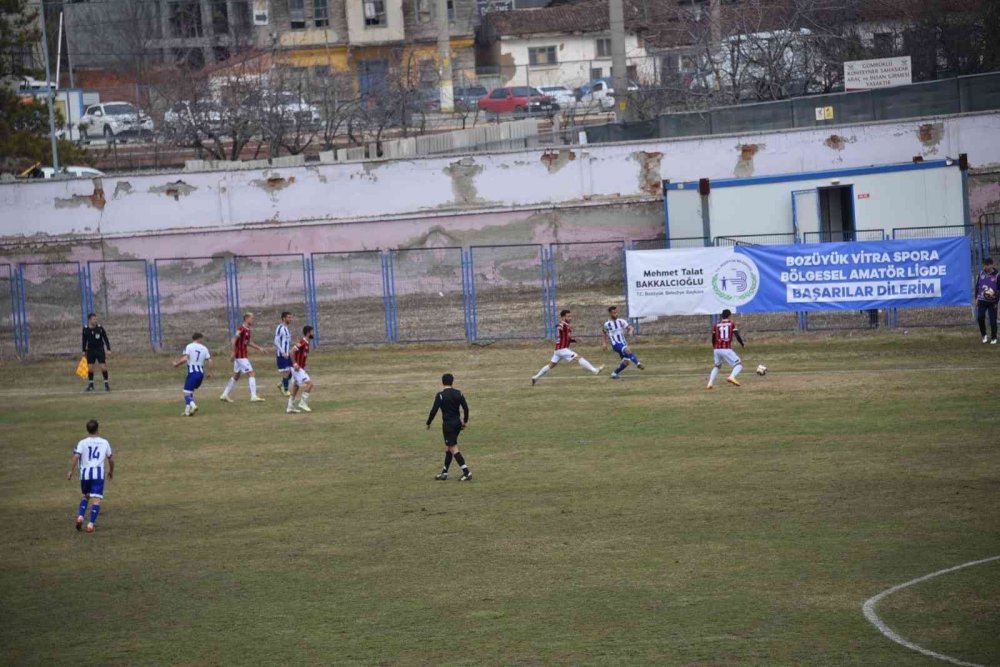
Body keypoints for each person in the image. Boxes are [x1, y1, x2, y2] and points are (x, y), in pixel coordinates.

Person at [531, 309, 603, 385]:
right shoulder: (563, 324)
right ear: (563, 317)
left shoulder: (567, 326)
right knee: (579, 358)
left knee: (551, 365)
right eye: (568, 316)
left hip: (558, 350)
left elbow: (565, 337)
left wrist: (573, 340)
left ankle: (535, 377)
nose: (570, 318)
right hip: (562, 349)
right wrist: (559, 326)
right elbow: (560, 326)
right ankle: (594, 370)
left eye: (570, 316)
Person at [67, 419, 114, 534]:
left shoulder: (82, 442)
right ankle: (90, 525)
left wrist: (71, 471)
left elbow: (76, 456)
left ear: (87, 430)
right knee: (96, 499)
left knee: (85, 496)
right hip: (98, 475)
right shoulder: (104, 442)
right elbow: (110, 459)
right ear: (97, 429)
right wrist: (111, 471)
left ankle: (80, 517)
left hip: (85, 475)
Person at [426, 373, 471, 481]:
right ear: (452, 382)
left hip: (448, 425)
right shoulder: (459, 393)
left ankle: (466, 472)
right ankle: (444, 473)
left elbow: (434, 410)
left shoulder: (440, 395)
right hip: (457, 424)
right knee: (449, 448)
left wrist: (429, 422)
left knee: (453, 448)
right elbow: (466, 408)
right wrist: (465, 421)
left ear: (442, 382)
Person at [220, 312, 267, 403]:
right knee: (251, 373)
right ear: (246, 318)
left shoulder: (248, 330)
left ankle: (224, 395)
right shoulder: (241, 328)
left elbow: (248, 342)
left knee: (236, 376)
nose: (253, 320)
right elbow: (233, 339)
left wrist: (259, 348)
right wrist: (233, 352)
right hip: (240, 356)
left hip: (241, 356)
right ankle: (253, 396)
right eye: (252, 318)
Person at [172, 333, 213, 416]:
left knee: (186, 393)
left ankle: (193, 406)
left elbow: (185, 359)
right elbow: (210, 361)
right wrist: (210, 372)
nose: (202, 340)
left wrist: (177, 364)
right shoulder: (204, 348)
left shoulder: (189, 346)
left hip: (192, 373)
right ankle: (187, 411)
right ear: (199, 338)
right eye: (202, 339)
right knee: (190, 391)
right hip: (200, 373)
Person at [602, 305, 644, 379]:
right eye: (614, 313)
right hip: (615, 344)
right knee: (627, 350)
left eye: (616, 312)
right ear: (610, 313)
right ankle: (638, 363)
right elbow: (604, 333)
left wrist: (630, 331)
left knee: (626, 362)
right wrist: (604, 343)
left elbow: (630, 327)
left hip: (623, 343)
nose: (616, 314)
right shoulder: (607, 324)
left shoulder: (621, 321)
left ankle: (614, 373)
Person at [707, 309, 745, 389]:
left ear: (722, 316)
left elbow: (713, 338)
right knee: (739, 365)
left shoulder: (716, 325)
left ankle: (710, 383)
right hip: (726, 348)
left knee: (717, 366)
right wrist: (742, 343)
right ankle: (731, 377)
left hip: (717, 349)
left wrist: (714, 347)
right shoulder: (731, 324)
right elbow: (737, 335)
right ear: (729, 315)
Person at [287, 325, 315, 414]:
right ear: (308, 333)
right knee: (310, 384)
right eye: (312, 332)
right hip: (297, 368)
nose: (313, 333)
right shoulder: (302, 342)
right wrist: (295, 363)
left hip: (299, 368)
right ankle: (302, 403)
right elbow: (291, 352)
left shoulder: (306, 343)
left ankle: (290, 407)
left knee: (296, 387)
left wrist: (304, 365)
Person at [81, 313, 111, 392]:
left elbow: (105, 338)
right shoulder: (85, 329)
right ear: (90, 320)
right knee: (90, 368)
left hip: (99, 349)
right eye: (94, 319)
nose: (95, 320)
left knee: (103, 367)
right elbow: (84, 341)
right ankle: (91, 385)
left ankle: (106, 384)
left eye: (96, 319)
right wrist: (83, 350)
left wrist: (108, 348)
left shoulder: (100, 328)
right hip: (90, 350)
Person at [975, 257, 998, 344]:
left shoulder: (997, 275)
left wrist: (996, 297)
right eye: (985, 265)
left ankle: (994, 337)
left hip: (992, 302)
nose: (986, 267)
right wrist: (976, 298)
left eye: (987, 265)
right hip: (982, 300)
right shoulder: (981, 273)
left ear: (992, 265)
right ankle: (984, 335)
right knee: (980, 317)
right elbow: (977, 286)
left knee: (992, 320)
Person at [274, 311, 294, 396]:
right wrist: (282, 352)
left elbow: (286, 342)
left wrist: (289, 351)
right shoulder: (280, 328)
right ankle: (285, 390)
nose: (290, 319)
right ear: (283, 318)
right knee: (286, 371)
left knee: (292, 371)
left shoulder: (286, 328)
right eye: (289, 317)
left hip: (287, 354)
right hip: (282, 354)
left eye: (291, 317)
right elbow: (276, 341)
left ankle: (281, 384)